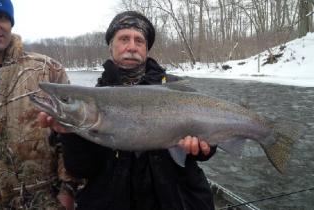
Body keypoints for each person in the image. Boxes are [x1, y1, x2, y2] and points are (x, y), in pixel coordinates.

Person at [38, 11, 216, 210]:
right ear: (111, 47)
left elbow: (208, 146)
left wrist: (201, 149)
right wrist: (69, 134)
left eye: (139, 41)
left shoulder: (176, 89)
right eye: (124, 39)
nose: (132, 46)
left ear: (146, 49)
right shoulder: (93, 98)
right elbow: (82, 169)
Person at [0, 0, 76, 209]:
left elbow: (72, 137)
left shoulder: (47, 70)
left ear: (11, 22)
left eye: (1, 17)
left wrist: (67, 192)